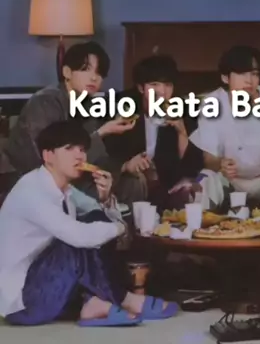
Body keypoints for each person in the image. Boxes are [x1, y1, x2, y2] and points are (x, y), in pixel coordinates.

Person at [0, 121, 178, 326]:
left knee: (95, 219)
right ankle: (123, 298)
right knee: (76, 239)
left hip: (48, 284)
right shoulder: (31, 191)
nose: (80, 156)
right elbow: (79, 236)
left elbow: (98, 214)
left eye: (82, 149)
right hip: (23, 303)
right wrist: (120, 228)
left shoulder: (65, 189)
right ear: (48, 155)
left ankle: (93, 305)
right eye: (69, 149)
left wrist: (106, 198)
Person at [5, 41, 147, 205]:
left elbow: (97, 158)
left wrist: (125, 166)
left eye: (99, 73)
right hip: (34, 176)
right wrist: (102, 132)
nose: (94, 77)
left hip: (72, 174)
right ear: (67, 72)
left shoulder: (87, 105)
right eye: (85, 69)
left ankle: (134, 222)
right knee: (90, 195)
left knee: (131, 182)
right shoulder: (45, 101)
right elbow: (48, 158)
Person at [189, 45, 260, 210]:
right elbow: (209, 158)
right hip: (229, 180)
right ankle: (200, 224)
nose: (249, 80)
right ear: (225, 78)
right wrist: (221, 164)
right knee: (205, 178)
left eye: (255, 74)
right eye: (242, 73)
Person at [105, 55, 203, 211]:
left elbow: (193, 166)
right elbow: (106, 154)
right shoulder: (122, 108)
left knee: (191, 187)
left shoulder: (182, 112)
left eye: (167, 85)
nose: (162, 91)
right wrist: (127, 165)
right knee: (135, 181)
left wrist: (182, 132)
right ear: (141, 87)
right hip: (130, 181)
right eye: (154, 84)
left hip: (166, 182)